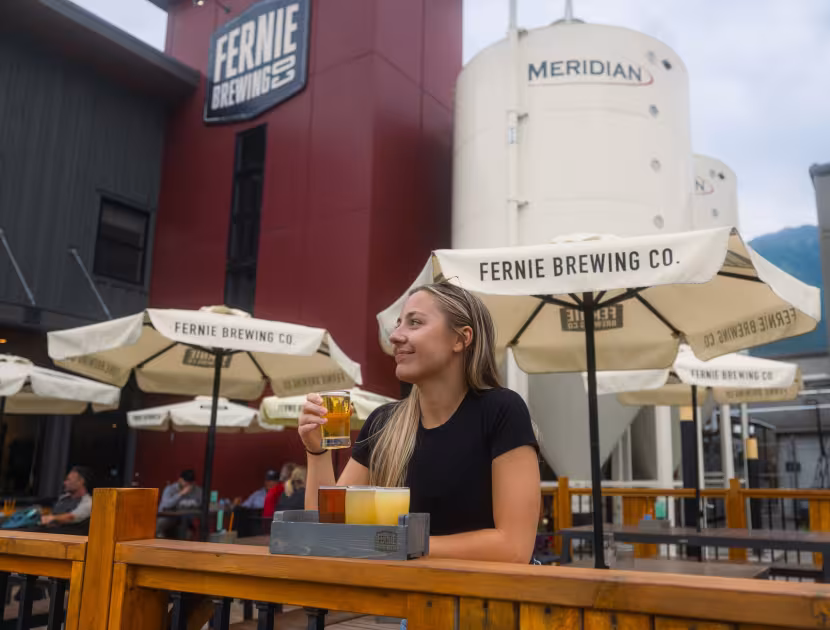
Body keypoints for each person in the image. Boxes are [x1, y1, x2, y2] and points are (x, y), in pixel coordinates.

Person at [300, 282, 540, 564]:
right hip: (399, 603)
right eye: (398, 324)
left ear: (461, 339)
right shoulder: (383, 423)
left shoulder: (501, 410)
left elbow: (513, 548)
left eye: (414, 323)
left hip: (476, 602)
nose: (396, 336)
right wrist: (317, 452)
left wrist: (391, 542)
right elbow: (328, 531)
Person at [156, 469, 203, 539]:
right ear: (180, 480)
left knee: (188, 534)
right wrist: (181, 494)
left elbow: (201, 503)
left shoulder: (197, 491)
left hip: (185, 520)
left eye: (190, 483)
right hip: (168, 519)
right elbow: (165, 505)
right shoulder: (170, 489)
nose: (187, 485)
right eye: (185, 482)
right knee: (159, 530)